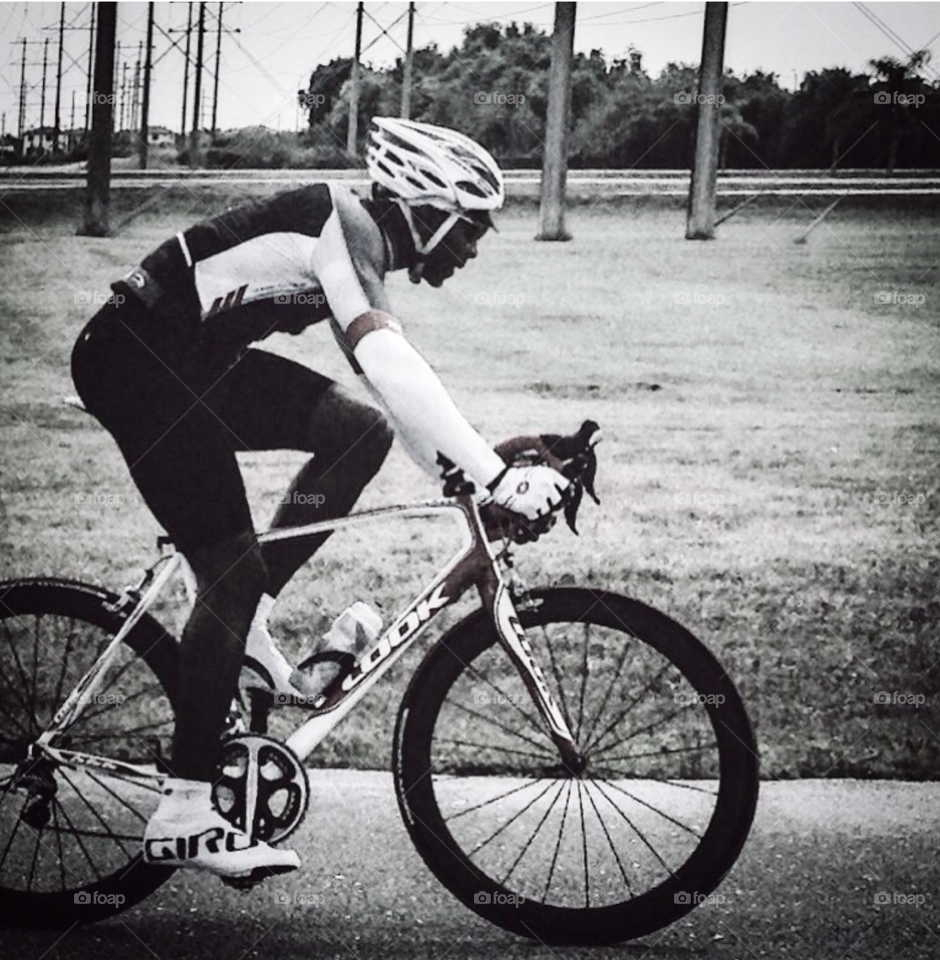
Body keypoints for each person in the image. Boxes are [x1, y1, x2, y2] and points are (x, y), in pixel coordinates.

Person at [70, 117, 570, 882]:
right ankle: (185, 811)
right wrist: (493, 476)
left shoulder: (350, 240)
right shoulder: (347, 228)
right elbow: (390, 357)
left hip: (187, 363)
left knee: (356, 429)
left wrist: (468, 468)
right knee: (227, 573)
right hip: (137, 365)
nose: (474, 249)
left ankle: (250, 628)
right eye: (471, 230)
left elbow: (386, 388)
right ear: (426, 210)